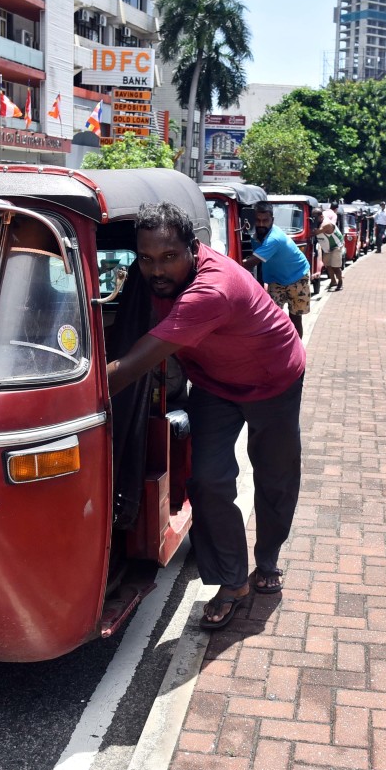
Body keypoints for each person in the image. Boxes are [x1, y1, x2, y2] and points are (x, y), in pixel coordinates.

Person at [107, 202, 305, 630]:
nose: (156, 269)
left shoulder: (210, 291)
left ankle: (267, 556)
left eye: (169, 257)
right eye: (145, 258)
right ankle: (232, 582)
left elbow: (134, 364)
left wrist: (63, 399)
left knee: (275, 476)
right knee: (207, 479)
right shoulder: (153, 280)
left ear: (193, 250)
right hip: (215, 382)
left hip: (273, 378)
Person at [246, 200, 311, 338]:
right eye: (258, 220)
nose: (261, 224)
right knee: (272, 316)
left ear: (272, 220)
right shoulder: (256, 236)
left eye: (265, 220)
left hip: (297, 276)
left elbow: (250, 263)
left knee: (295, 317)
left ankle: (297, 350)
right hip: (276, 280)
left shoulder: (274, 239)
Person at [316, 202, 344, 291]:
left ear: (321, 217)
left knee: (335, 266)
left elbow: (315, 232)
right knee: (328, 265)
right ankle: (333, 281)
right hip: (327, 246)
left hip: (335, 245)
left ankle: (340, 282)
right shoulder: (321, 215)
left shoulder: (326, 223)